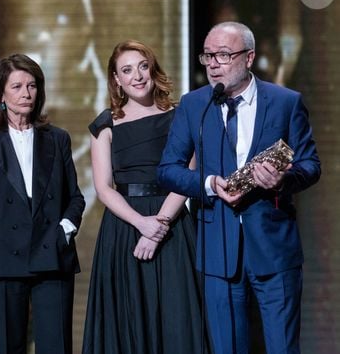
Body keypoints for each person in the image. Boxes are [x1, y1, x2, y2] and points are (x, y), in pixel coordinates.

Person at [158, 21, 321, 354]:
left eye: (223, 55)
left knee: (282, 347)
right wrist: (207, 184)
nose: (214, 64)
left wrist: (283, 180)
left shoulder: (285, 102)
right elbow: (168, 170)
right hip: (218, 248)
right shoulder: (194, 105)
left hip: (274, 250)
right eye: (208, 56)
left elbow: (310, 165)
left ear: (249, 58)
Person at [82, 40, 208, 354]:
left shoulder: (180, 116)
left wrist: (158, 227)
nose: (137, 76)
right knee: (128, 321)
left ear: (152, 70)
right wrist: (141, 224)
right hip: (124, 229)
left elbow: (186, 177)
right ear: (116, 79)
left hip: (173, 226)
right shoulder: (105, 124)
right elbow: (103, 188)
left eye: (142, 66)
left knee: (177, 317)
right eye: (127, 70)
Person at [0, 53, 85, 354]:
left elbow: (76, 199)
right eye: (17, 87)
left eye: (32, 86)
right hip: (2, 259)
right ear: (1, 94)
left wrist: (64, 230)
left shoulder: (57, 139)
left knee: (56, 347)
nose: (26, 94)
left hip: (51, 255)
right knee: (8, 347)